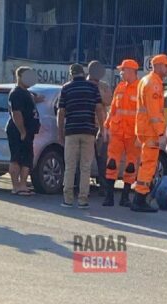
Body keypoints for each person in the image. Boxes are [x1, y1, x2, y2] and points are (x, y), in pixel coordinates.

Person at [58, 64, 106, 209]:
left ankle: (68, 199)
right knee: (86, 167)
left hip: (71, 131)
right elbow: (99, 109)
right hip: (88, 131)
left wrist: (61, 132)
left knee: (70, 166)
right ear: (83, 73)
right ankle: (83, 199)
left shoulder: (66, 88)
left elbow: (61, 112)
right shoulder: (92, 88)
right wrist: (102, 129)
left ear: (71, 74)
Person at [131, 54, 167, 213]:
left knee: (146, 164)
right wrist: (161, 133)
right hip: (150, 131)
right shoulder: (154, 84)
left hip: (144, 129)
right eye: (166, 66)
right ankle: (139, 200)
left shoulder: (146, 80)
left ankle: (139, 198)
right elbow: (154, 112)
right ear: (158, 66)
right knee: (148, 165)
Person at [102, 59, 140, 207]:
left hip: (133, 133)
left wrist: (140, 134)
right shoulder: (120, 87)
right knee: (111, 163)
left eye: (123, 70)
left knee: (131, 165)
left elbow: (143, 114)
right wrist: (106, 127)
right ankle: (109, 196)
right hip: (117, 132)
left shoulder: (140, 89)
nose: (121, 72)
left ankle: (125, 197)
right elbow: (112, 110)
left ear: (131, 71)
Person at [5, 67, 41, 196]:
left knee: (26, 159)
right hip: (19, 130)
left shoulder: (25, 93)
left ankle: (22, 185)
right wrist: (22, 131)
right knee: (17, 159)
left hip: (27, 130)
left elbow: (30, 100)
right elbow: (16, 113)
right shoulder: (17, 93)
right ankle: (17, 186)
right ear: (19, 77)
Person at [87, 60, 112, 196]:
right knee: (85, 158)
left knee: (102, 159)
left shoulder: (104, 86)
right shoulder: (83, 85)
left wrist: (96, 89)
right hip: (87, 126)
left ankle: (104, 187)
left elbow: (108, 101)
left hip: (101, 127)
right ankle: (83, 186)